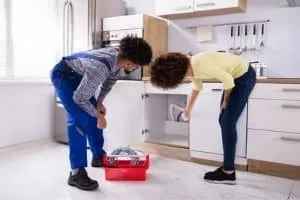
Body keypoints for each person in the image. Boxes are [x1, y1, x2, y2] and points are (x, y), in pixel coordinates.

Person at [51, 36, 152, 191]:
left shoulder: (118, 58)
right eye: (137, 66)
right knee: (80, 119)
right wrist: (98, 116)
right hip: (63, 75)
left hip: (80, 75)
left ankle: (98, 156)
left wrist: (99, 103)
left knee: (93, 117)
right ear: (130, 62)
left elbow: (109, 82)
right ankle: (76, 173)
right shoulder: (99, 68)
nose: (136, 68)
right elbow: (79, 98)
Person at [150, 51, 256, 184]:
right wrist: (188, 110)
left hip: (244, 76)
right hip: (234, 77)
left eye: (181, 78)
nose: (183, 80)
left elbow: (228, 81)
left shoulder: (201, 65)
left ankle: (228, 173)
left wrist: (225, 101)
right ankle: (227, 169)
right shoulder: (191, 66)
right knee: (224, 121)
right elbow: (196, 87)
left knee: (227, 122)